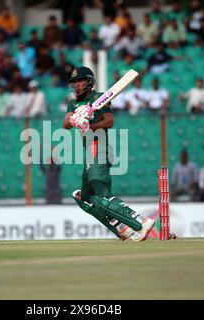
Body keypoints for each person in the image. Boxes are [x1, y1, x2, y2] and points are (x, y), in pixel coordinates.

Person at [63, 66, 156, 241]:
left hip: (100, 146)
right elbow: (65, 124)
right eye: (73, 82)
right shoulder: (73, 103)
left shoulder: (99, 98)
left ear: (89, 81)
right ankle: (122, 228)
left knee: (101, 195)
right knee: (85, 198)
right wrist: (76, 117)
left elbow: (109, 121)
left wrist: (90, 125)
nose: (75, 85)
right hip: (89, 151)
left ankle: (140, 222)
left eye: (79, 81)